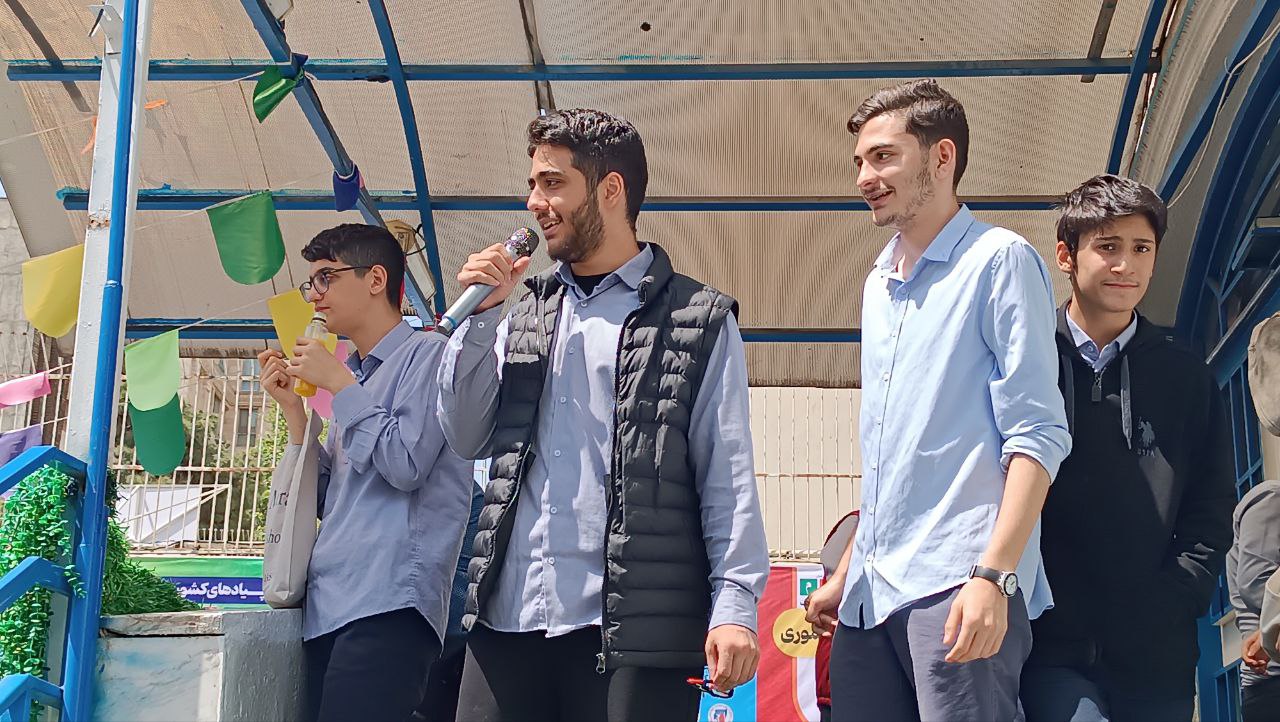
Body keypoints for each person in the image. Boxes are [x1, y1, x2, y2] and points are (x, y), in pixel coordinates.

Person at [436, 107, 770, 722]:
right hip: (510, 619)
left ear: (610, 189)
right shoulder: (523, 311)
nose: (534, 203)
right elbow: (464, 435)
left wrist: (735, 605)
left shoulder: (696, 318)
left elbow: (727, 477)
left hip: (632, 633)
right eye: (533, 184)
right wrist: (479, 321)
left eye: (553, 183)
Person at [803, 79, 1072, 721]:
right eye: (860, 162)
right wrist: (848, 572)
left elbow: (1038, 435)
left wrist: (994, 576)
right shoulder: (877, 282)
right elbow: (892, 458)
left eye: (884, 157)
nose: (865, 178)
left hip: (960, 582)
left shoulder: (1000, 260)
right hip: (869, 600)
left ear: (942, 157)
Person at [1019, 174, 1236, 721]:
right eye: (1108, 247)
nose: (1125, 265)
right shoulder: (1026, 363)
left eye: (1141, 248)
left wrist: (1173, 600)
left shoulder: (1186, 375)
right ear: (1066, 256)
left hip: (1156, 655)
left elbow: (1211, 507)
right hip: (1047, 647)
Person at [257, 223, 473, 722]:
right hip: (327, 606)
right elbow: (330, 498)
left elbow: (406, 464)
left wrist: (339, 385)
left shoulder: (429, 354)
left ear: (376, 279)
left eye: (326, 278)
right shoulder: (356, 375)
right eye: (311, 283)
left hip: (389, 603)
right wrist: (296, 417)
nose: (315, 295)